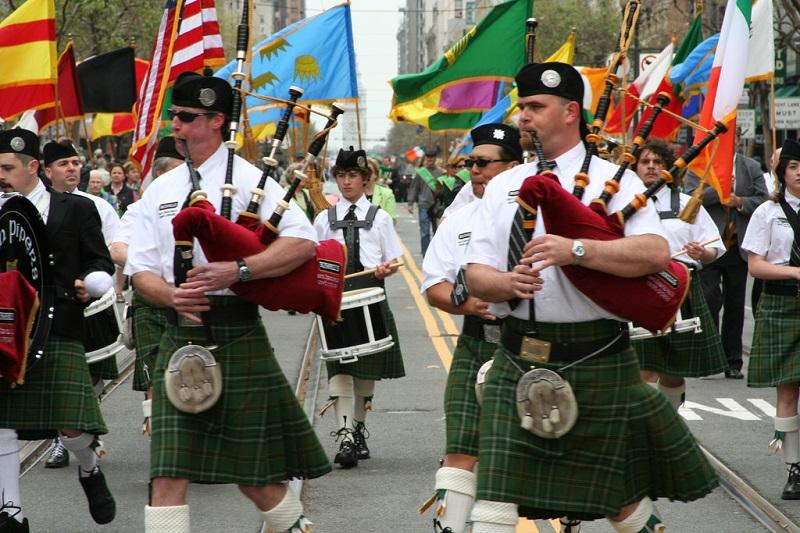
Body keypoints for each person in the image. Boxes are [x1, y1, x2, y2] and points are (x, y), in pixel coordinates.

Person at [464, 62, 717, 532]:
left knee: (620, 504)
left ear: (570, 112)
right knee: (493, 508)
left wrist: (577, 249)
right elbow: (475, 272)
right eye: (522, 107)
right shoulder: (500, 186)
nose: (524, 117)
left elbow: (655, 252)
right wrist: (505, 284)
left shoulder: (612, 180)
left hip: (597, 354)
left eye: (536, 107)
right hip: (518, 355)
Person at [125, 72, 330, 533]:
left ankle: (294, 526)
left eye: (185, 117)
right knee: (167, 474)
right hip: (178, 336)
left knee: (256, 480)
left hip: (237, 330)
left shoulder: (254, 181)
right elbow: (140, 273)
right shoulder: (160, 189)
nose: (174, 126)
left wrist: (238, 270)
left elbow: (302, 241)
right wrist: (172, 295)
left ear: (216, 120)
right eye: (172, 116)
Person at [0, 128, 117, 531]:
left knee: (71, 425)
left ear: (33, 167)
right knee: (2, 422)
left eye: (7, 168)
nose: (0, 175)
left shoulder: (75, 208)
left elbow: (101, 262)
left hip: (59, 325)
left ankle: (88, 467)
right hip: (4, 330)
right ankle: (10, 512)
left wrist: (93, 281)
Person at [420, 123, 522, 533]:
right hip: (478, 342)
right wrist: (470, 303)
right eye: (471, 163)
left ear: (514, 167)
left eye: (483, 163)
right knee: (460, 452)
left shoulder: (540, 211)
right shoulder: (458, 219)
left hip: (530, 346)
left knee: (525, 457)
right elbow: (434, 285)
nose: (474, 170)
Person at [313, 147, 404, 469]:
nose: (346, 182)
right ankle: (345, 437)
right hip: (336, 300)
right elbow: (314, 257)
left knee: (365, 374)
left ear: (365, 180)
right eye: (341, 176)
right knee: (340, 368)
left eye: (353, 176)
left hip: (370, 297)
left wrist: (385, 269)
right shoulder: (324, 218)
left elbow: (394, 259)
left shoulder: (379, 218)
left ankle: (358, 429)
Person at [39, 139, 122, 469]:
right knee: (61, 380)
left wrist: (97, 280)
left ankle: (84, 429)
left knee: (89, 378)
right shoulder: (34, 207)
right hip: (51, 308)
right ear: (46, 171)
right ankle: (64, 438)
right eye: (64, 164)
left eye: (75, 162)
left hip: (90, 303)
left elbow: (112, 248)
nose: (72, 168)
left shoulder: (96, 206)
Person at [631, 139, 727, 409]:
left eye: (658, 162)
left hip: (681, 290)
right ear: (635, 167)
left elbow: (714, 247)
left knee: (672, 370)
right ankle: (647, 427)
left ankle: (669, 420)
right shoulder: (625, 205)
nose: (651, 167)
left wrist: (701, 253)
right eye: (645, 162)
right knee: (645, 368)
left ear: (669, 168)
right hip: (638, 288)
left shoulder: (688, 203)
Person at [110, 136, 185, 434]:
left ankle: (187, 432)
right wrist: (155, 270)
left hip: (190, 300)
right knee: (155, 373)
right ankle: (162, 439)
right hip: (150, 302)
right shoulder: (139, 210)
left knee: (192, 370)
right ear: (161, 174)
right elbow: (117, 250)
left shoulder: (200, 204)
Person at [684, 127, 768, 379]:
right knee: (710, 299)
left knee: (734, 303)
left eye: (732, 138)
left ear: (738, 140)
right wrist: (718, 192)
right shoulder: (699, 167)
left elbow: (764, 200)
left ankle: (733, 361)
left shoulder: (750, 166)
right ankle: (707, 356)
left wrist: (739, 201)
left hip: (738, 246)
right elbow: (689, 198)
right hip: (709, 245)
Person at [742, 138, 800, 500]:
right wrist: (796, 274)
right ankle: (795, 468)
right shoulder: (767, 212)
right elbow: (756, 265)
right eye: (794, 166)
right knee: (788, 388)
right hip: (781, 305)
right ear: (782, 172)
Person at [407, 147, 444, 256]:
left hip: (437, 206)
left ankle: (437, 254)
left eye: (432, 159)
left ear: (435, 159)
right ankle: (426, 254)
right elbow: (414, 188)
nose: (430, 161)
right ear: (425, 159)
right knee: (425, 233)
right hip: (423, 205)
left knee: (437, 232)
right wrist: (410, 203)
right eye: (428, 159)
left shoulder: (440, 172)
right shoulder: (421, 172)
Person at [366, 156, 397, 223]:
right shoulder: (354, 193)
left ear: (376, 175)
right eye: (363, 171)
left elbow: (392, 220)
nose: (366, 174)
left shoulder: (387, 193)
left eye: (369, 171)